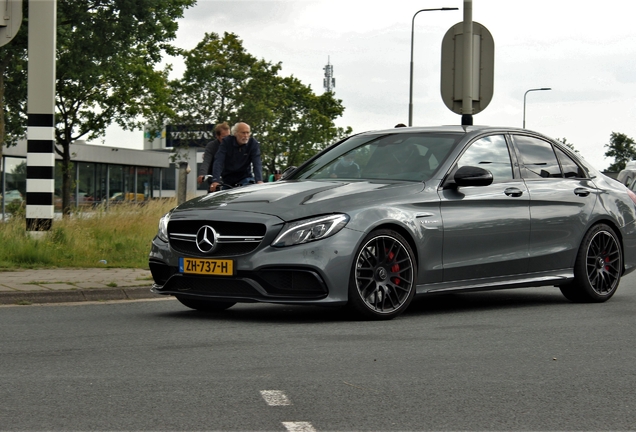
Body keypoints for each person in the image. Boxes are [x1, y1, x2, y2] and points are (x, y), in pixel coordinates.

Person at [210, 122, 263, 191]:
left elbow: (257, 163)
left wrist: (259, 180)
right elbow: (218, 161)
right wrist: (215, 180)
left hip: (245, 177)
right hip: (228, 179)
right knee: (222, 196)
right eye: (243, 133)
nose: (246, 135)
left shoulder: (253, 143)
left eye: (248, 133)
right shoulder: (226, 142)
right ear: (235, 133)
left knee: (248, 191)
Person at [197, 122, 231, 193]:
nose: (227, 140)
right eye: (224, 137)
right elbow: (206, 161)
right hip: (215, 178)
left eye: (228, 137)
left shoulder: (233, 145)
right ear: (217, 136)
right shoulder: (212, 146)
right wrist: (202, 174)